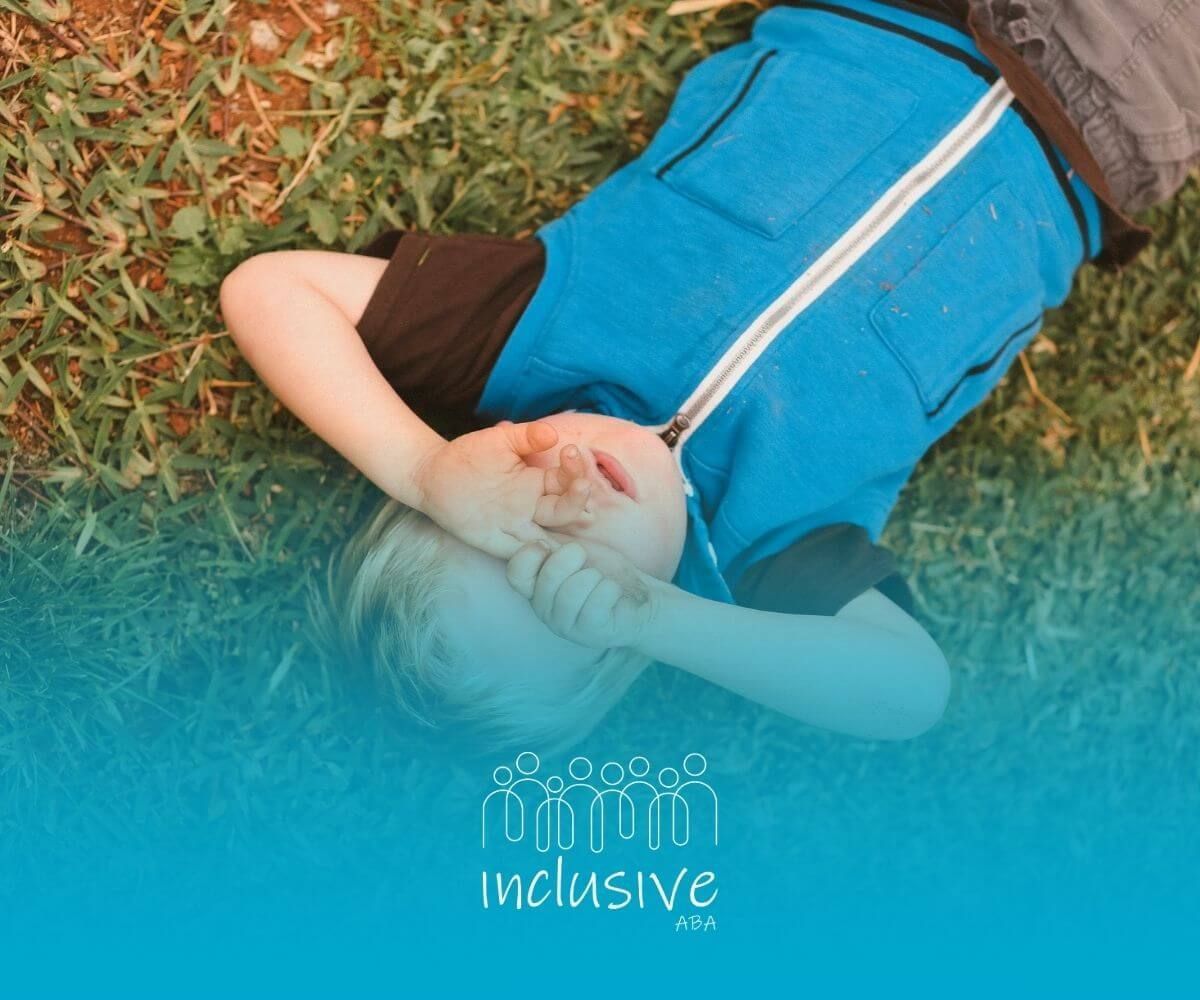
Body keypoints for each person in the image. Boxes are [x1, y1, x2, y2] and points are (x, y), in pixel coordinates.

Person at [218, 0, 1198, 755]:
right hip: (1108, 118)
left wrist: (427, 473)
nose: (562, 504)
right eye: (580, 584)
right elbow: (910, 693)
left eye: (505, 517)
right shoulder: (774, 545)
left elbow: (268, 290)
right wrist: (671, 620)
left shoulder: (521, 344)